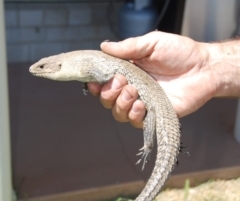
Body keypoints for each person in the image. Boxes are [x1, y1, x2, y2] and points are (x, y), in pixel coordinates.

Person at [87, 31, 240, 128]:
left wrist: (208, 65)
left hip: (157, 92)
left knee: (144, 113)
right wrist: (206, 64)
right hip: (156, 93)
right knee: (145, 114)